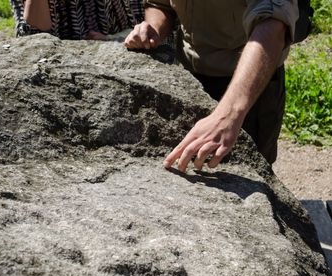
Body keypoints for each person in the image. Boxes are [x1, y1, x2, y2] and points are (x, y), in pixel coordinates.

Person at [124, 1, 299, 172]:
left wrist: (229, 114)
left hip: (249, 88)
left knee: (248, 175)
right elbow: (159, 4)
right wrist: (153, 29)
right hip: (188, 79)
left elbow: (273, 25)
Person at [10, 0, 145, 40]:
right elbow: (33, 37)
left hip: (116, 53)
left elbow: (145, 26)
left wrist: (112, 39)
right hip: (56, 66)